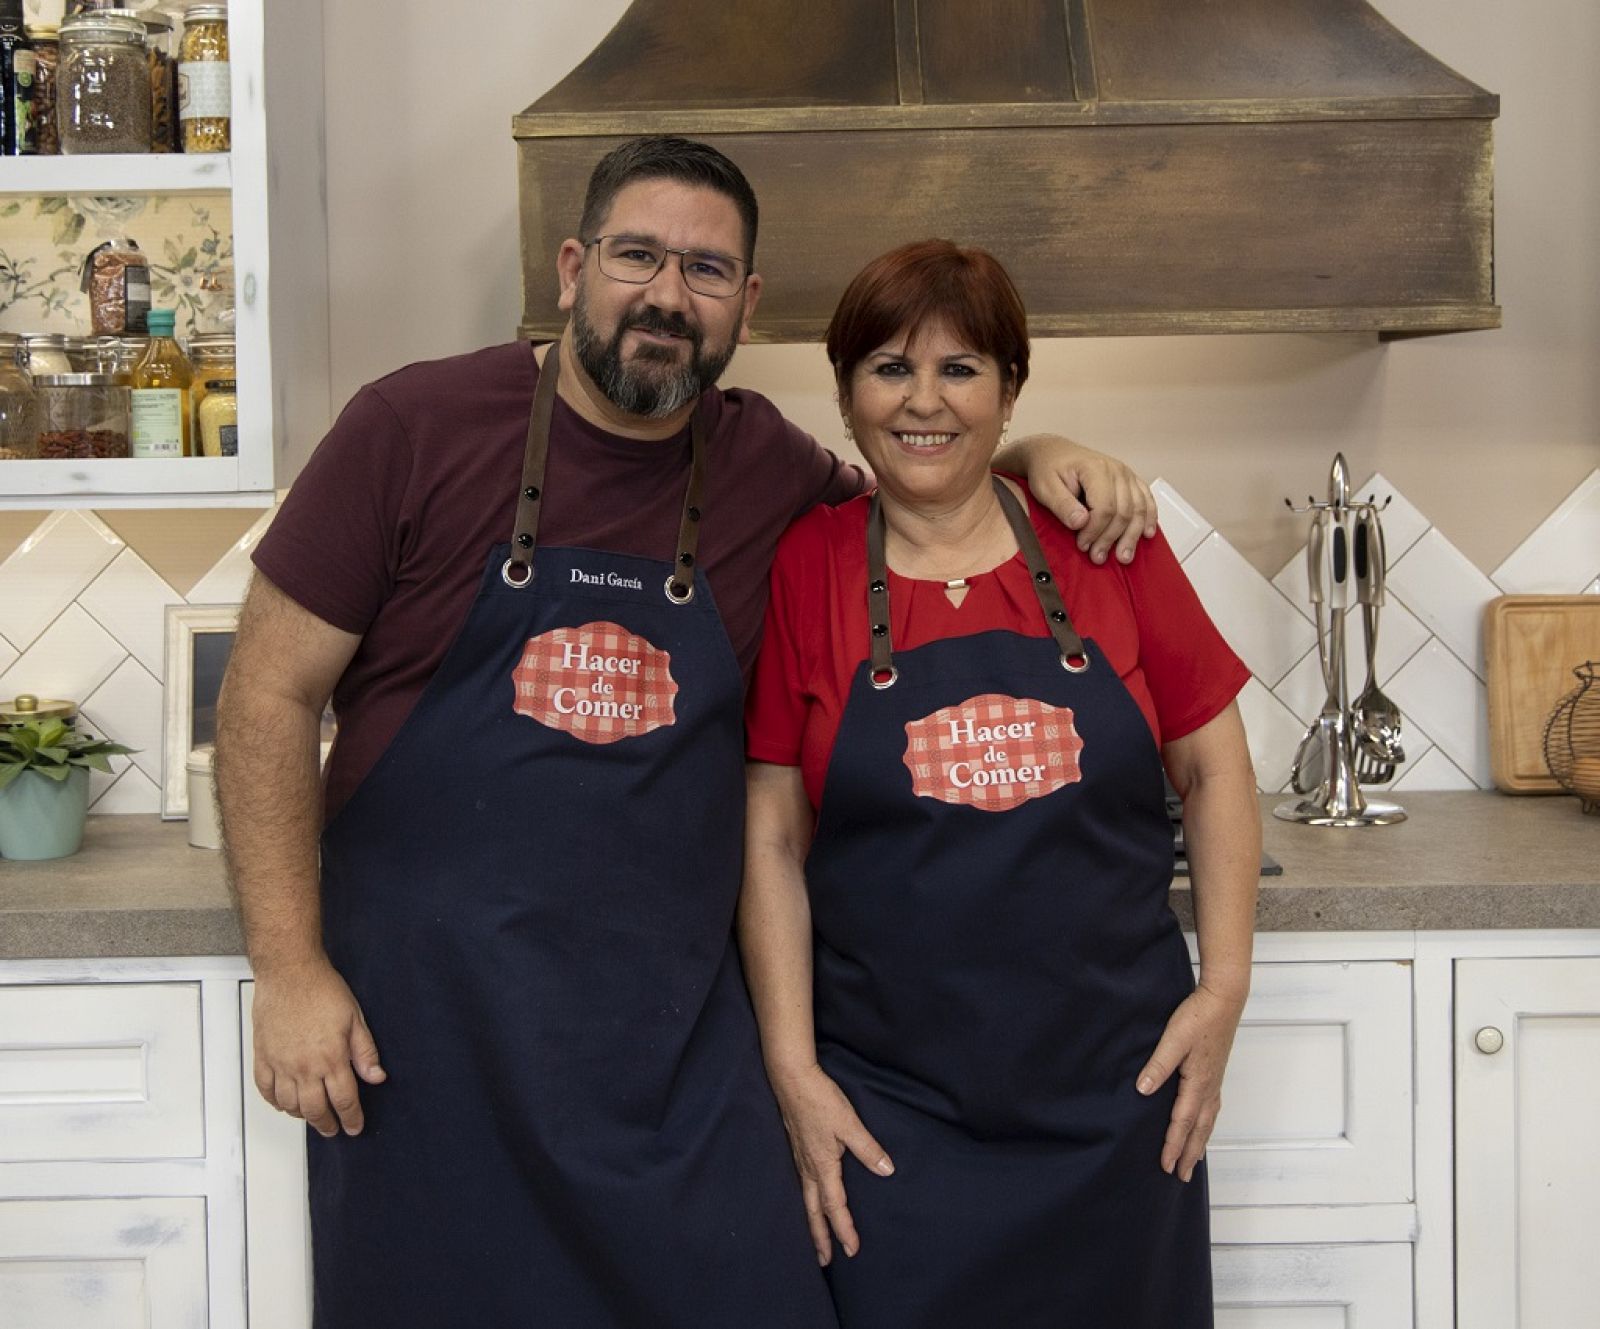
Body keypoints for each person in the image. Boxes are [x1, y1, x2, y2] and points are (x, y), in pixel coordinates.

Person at [215, 138, 1158, 1327]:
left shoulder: (765, 462)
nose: (667, 295)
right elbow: (265, 696)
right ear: (572, 268)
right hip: (430, 1041)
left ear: (745, 304)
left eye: (707, 271)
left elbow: (922, 483)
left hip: (672, 1047)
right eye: (636, 256)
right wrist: (290, 971)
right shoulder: (413, 426)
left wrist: (1031, 450)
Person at [740, 239, 1261, 1327]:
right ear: (844, 397)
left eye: (961, 369)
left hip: (1117, 1104)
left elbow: (1214, 769)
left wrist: (1220, 992)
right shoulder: (811, 564)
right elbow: (773, 840)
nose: (922, 401)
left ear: (1009, 388)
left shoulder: (1105, 546)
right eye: (888, 368)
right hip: (892, 1117)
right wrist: (794, 1068)